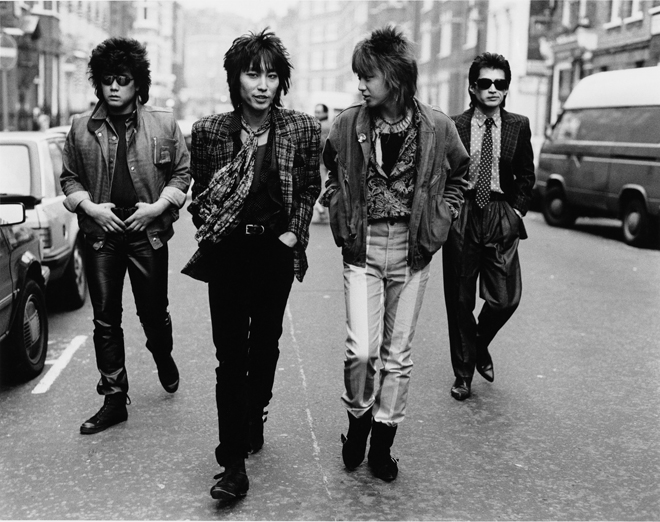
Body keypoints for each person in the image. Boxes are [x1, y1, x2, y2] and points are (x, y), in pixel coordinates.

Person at [321, 27, 469, 481]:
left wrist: (443, 217)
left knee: (398, 355)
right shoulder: (348, 124)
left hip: (413, 249)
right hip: (363, 248)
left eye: (368, 76)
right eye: (359, 76)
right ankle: (358, 423)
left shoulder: (437, 126)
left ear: (395, 77)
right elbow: (329, 169)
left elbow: (459, 175)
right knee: (362, 352)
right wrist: (338, 206)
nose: (361, 85)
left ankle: (383, 444)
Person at [181, 29, 321, 502]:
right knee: (229, 358)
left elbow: (309, 187)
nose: (262, 85)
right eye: (252, 74)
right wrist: (214, 228)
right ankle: (233, 464)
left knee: (264, 347)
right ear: (235, 79)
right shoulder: (208, 132)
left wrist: (292, 234)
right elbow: (203, 194)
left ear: (282, 82)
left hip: (274, 253)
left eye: (272, 76)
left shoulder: (301, 129)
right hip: (227, 254)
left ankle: (255, 409)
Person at [60, 38, 191, 433]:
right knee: (105, 318)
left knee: (152, 313)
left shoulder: (163, 123)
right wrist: (90, 207)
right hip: (102, 233)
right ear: (98, 83)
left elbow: (182, 173)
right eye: (107, 80)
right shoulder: (80, 127)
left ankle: (162, 354)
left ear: (138, 83)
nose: (114, 87)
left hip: (146, 232)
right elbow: (69, 178)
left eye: (122, 80)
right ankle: (114, 398)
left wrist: (157, 207)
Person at [443, 52, 535, 401]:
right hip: (464, 213)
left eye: (500, 83)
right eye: (486, 83)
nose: (493, 89)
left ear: (507, 88)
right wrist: (449, 211)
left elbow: (526, 175)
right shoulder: (455, 125)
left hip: (500, 213)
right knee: (460, 299)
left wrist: (516, 212)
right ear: (473, 87)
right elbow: (443, 173)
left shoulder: (518, 125)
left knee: (505, 298)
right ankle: (463, 374)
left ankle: (478, 344)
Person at [312, 103, 331, 223]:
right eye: (316, 112)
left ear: (325, 113)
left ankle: (322, 211)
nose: (316, 114)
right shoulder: (333, 124)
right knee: (326, 186)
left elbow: (320, 144)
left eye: (319, 112)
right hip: (329, 161)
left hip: (321, 161)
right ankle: (323, 212)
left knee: (320, 186)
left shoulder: (320, 126)